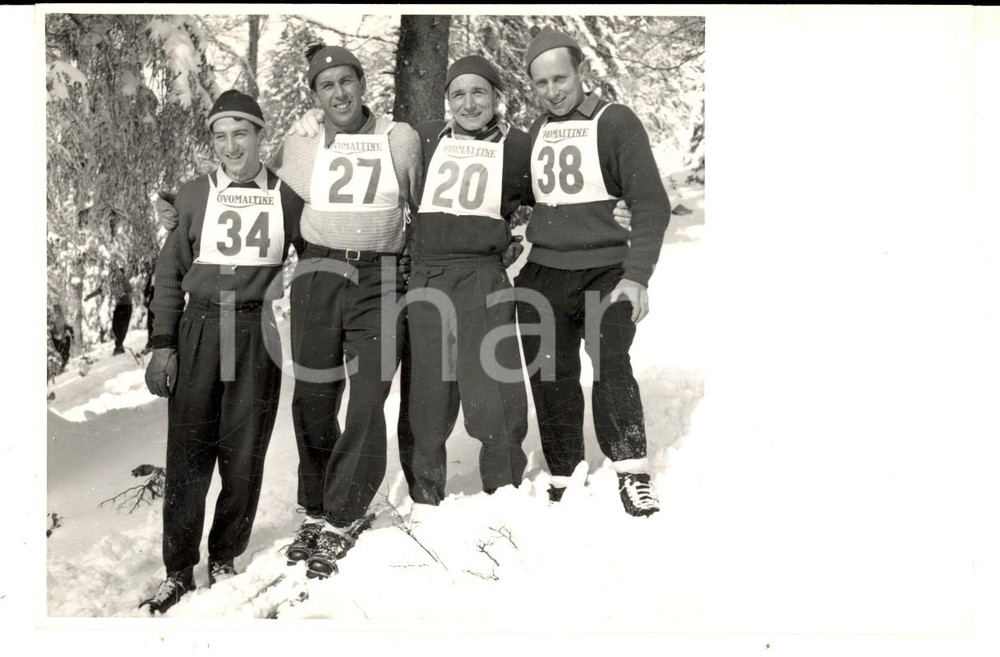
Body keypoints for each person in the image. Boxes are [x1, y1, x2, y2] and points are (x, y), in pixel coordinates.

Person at [140, 90, 305, 614]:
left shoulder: (287, 197)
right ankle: (178, 570)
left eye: (241, 134)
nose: (231, 146)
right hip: (202, 325)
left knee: (244, 453)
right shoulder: (194, 195)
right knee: (188, 455)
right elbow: (169, 276)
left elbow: (317, 247)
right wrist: (163, 345)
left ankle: (226, 556)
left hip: (255, 329)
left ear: (260, 136)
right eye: (220, 136)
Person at [273, 43, 422, 579]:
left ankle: (344, 514)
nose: (338, 93)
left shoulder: (399, 138)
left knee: (366, 398)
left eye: (346, 81)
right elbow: (280, 209)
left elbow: (421, 206)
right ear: (314, 94)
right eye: (326, 85)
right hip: (318, 274)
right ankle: (316, 509)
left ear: (362, 83)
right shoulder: (302, 142)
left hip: (380, 277)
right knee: (313, 397)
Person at [515, 28, 671, 517]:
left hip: (606, 271)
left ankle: (632, 471)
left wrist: (637, 275)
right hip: (544, 272)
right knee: (550, 374)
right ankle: (564, 474)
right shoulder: (535, 132)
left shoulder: (614, 120)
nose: (552, 91)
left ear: (581, 71)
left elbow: (652, 203)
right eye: (541, 83)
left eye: (560, 78)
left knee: (610, 364)